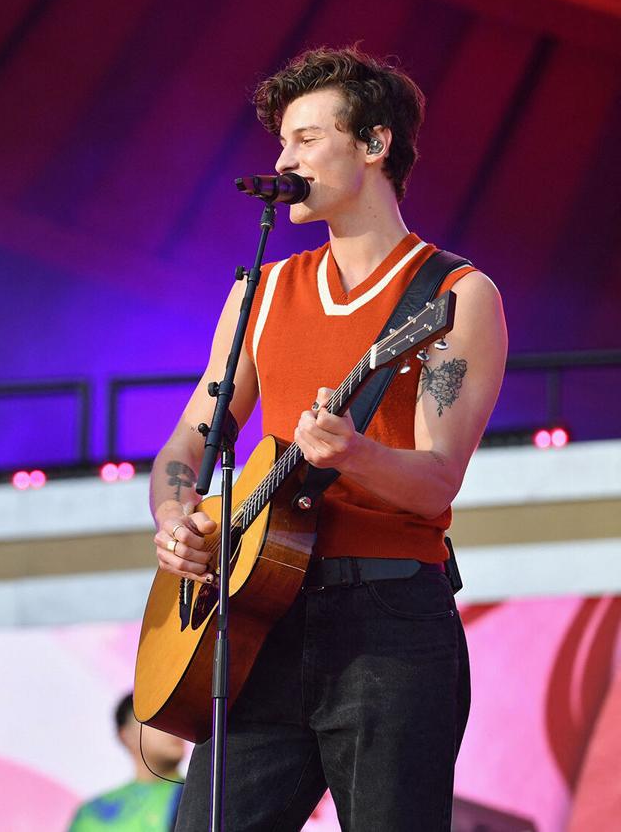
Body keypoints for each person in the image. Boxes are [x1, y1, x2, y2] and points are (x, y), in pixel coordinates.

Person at [149, 47, 507, 830]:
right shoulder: (261, 290)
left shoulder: (454, 295)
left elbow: (438, 479)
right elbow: (189, 440)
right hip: (254, 620)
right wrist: (175, 520)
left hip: (387, 622)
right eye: (282, 143)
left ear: (374, 144)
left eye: (307, 139)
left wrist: (353, 454)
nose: (285, 160)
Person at [68, 692, 185, 831]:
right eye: (158, 718)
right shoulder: (90, 816)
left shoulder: (210, 796)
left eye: (176, 717)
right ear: (126, 736)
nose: (173, 726)